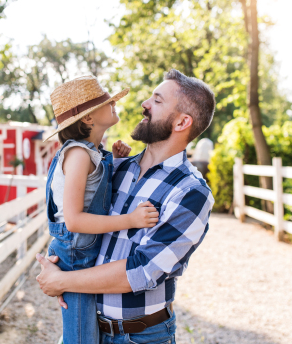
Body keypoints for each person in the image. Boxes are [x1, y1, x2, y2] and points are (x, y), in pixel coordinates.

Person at [37, 69, 216, 344]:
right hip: (89, 327)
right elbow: (76, 222)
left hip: (139, 336)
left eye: (156, 101)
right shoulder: (116, 168)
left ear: (182, 122)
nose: (144, 104)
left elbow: (143, 270)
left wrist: (63, 281)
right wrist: (60, 263)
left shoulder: (191, 192)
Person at [43, 75, 160, 344]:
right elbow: (73, 220)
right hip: (76, 253)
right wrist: (130, 220)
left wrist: (115, 162)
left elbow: (92, 194)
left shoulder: (93, 152)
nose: (113, 104)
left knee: (86, 332)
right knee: (81, 337)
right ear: (87, 119)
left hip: (81, 251)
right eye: (107, 102)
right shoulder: (79, 155)